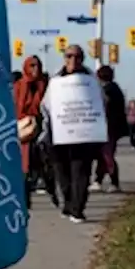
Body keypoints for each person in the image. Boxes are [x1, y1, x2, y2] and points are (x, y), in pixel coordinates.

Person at [41, 45, 99, 223]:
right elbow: (46, 105)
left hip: (83, 135)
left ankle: (78, 209)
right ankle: (68, 203)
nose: (73, 60)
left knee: (80, 172)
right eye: (69, 56)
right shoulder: (56, 81)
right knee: (62, 173)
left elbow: (100, 103)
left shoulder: (91, 81)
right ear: (64, 58)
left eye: (77, 56)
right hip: (59, 135)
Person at [14, 56, 55, 209]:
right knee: (25, 167)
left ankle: (54, 193)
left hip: (43, 130)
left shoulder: (45, 85)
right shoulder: (19, 86)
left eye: (37, 65)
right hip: (25, 131)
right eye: (31, 66)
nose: (35, 69)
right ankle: (25, 199)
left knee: (45, 165)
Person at [93, 65, 128, 193]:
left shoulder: (108, 90)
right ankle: (98, 180)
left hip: (109, 127)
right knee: (103, 155)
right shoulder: (114, 89)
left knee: (107, 155)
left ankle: (114, 182)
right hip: (111, 127)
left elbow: (105, 106)